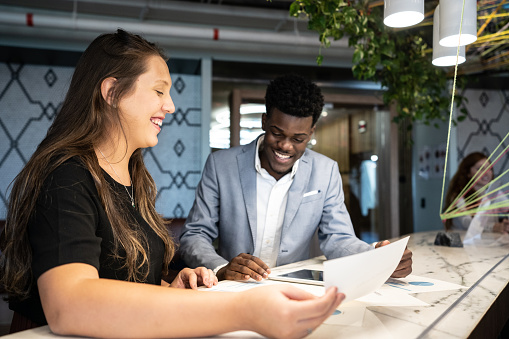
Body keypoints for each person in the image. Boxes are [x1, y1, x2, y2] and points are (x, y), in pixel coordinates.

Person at [0, 30, 344, 339]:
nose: (171, 106)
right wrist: (245, 310)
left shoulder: (132, 177)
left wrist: (168, 286)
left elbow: (122, 280)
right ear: (112, 92)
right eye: (159, 91)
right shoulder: (66, 176)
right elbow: (70, 305)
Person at [179, 74, 413, 282]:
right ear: (264, 121)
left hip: (295, 290)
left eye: (298, 139)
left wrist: (377, 257)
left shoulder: (326, 171)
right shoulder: (221, 165)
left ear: (311, 133)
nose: (285, 146)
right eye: (277, 133)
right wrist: (220, 268)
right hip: (235, 288)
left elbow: (338, 238)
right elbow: (195, 234)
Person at [444, 151, 509, 233]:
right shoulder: (458, 196)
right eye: (480, 169)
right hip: (461, 242)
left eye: (489, 169)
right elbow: (466, 222)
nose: (486, 173)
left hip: (485, 242)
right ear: (468, 173)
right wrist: (493, 227)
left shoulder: (495, 193)